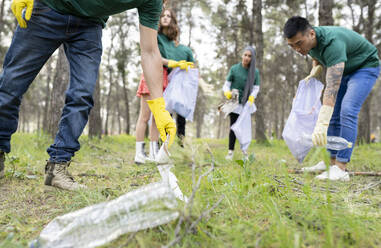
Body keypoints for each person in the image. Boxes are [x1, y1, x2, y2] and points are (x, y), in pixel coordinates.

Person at [0, 0, 176, 190]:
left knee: (82, 95)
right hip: (48, 9)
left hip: (88, 26)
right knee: (11, 84)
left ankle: (57, 167)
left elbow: (150, 51)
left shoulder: (153, 1)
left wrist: (159, 107)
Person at [283, 16, 380, 181]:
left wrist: (321, 122)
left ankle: (341, 168)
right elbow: (316, 54)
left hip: (365, 66)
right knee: (334, 114)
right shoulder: (309, 44)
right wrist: (315, 68)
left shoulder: (332, 43)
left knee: (347, 110)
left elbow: (332, 87)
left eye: (299, 44)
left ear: (311, 34)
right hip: (346, 68)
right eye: (292, 46)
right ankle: (330, 162)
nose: (297, 50)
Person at [134, 8, 194, 164]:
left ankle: (154, 154)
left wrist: (180, 65)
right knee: (145, 116)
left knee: (157, 117)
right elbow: (153, 56)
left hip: (164, 79)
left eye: (169, 16)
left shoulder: (169, 41)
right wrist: (171, 62)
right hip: (151, 75)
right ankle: (139, 154)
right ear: (158, 18)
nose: (166, 18)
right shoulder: (154, 35)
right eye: (163, 15)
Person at [222, 46, 260, 160]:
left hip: (246, 104)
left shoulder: (255, 72)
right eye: (245, 55)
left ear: (252, 58)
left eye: (249, 56)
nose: (247, 58)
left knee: (244, 128)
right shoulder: (234, 69)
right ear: (242, 55)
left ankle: (244, 151)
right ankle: (230, 152)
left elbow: (256, 88)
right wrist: (227, 93)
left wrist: (252, 97)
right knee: (233, 127)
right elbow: (226, 84)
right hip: (234, 103)